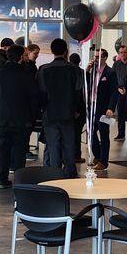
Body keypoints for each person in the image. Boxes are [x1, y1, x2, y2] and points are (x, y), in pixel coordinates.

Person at [0, 44, 41, 188]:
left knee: (4, 149)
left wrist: (0, 110)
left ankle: (2, 179)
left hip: (4, 119)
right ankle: (19, 180)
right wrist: (33, 117)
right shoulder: (26, 75)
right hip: (22, 119)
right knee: (20, 150)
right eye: (25, 55)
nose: (27, 57)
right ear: (20, 57)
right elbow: (34, 98)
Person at [37, 38, 80, 176]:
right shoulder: (74, 69)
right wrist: (77, 110)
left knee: (53, 144)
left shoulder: (43, 69)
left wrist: (43, 108)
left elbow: (41, 92)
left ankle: (55, 173)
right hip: (69, 112)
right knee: (69, 144)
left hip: (50, 113)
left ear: (52, 51)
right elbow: (79, 92)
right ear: (66, 51)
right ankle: (70, 172)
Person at [87, 48, 118, 174]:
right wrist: (87, 71)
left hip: (103, 107)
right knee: (90, 132)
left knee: (104, 134)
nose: (95, 59)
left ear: (104, 58)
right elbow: (86, 85)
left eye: (98, 57)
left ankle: (104, 161)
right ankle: (98, 155)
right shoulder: (92, 71)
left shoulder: (110, 72)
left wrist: (111, 107)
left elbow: (114, 91)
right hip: (92, 105)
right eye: (94, 56)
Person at [69, 52, 86, 161]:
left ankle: (68, 155)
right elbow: (80, 92)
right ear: (79, 61)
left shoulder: (67, 71)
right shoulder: (81, 72)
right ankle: (76, 155)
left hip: (68, 107)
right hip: (79, 107)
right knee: (77, 133)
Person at [113, 44, 127, 143]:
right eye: (121, 53)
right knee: (120, 114)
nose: (123, 54)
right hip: (119, 91)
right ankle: (121, 134)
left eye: (125, 52)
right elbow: (113, 78)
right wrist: (118, 89)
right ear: (118, 54)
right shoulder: (116, 64)